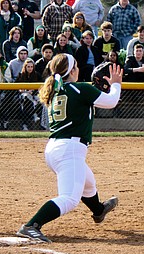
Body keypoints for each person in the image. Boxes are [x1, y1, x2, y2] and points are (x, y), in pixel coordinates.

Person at [16, 53, 122, 243]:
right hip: (69, 148)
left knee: (88, 183)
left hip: (56, 147)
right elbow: (111, 101)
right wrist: (115, 83)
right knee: (70, 199)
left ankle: (98, 210)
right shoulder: (80, 88)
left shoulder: (56, 90)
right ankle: (32, 225)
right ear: (72, 70)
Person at [15, 58, 40, 130]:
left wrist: (33, 91)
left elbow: (41, 87)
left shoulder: (37, 75)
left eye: (31, 67)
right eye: (28, 67)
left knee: (26, 104)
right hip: (23, 96)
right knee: (26, 98)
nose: (30, 68)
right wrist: (21, 90)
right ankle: (34, 114)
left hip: (34, 95)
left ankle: (24, 124)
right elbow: (16, 87)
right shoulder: (20, 75)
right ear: (25, 67)